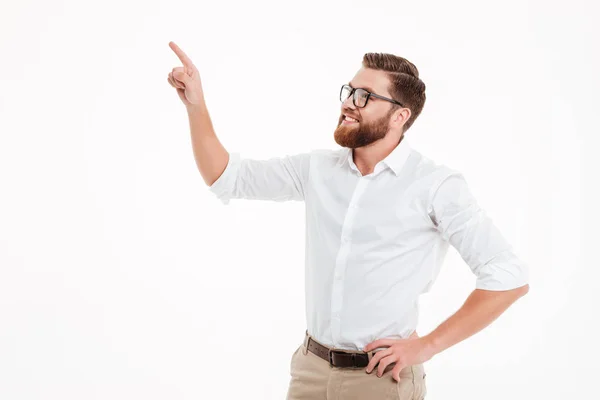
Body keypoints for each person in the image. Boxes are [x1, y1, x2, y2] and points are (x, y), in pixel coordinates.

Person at [167, 41, 530, 400]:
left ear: (400, 116)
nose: (348, 103)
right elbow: (226, 177)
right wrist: (196, 106)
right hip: (310, 369)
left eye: (364, 96)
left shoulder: (435, 186)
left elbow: (507, 276)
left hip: (380, 379)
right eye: (349, 91)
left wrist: (427, 346)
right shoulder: (317, 169)